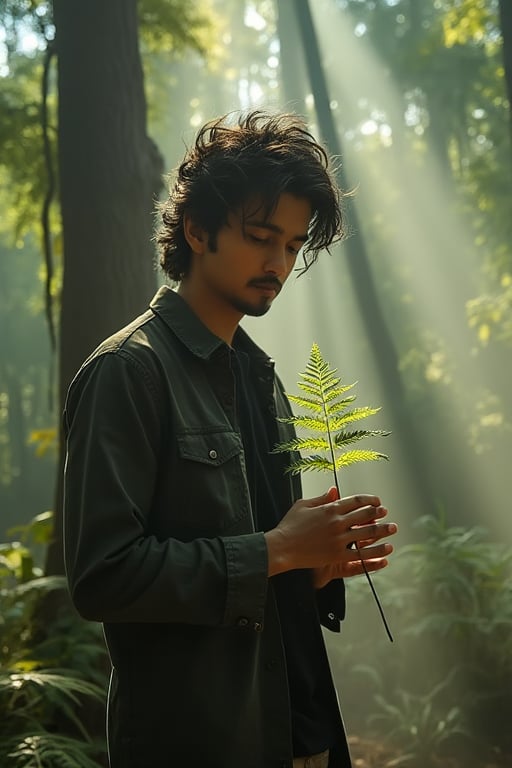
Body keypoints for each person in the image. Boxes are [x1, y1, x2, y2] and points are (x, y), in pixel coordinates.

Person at [63, 110, 397, 768]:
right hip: (202, 743)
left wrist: (314, 566)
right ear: (197, 229)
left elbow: (268, 574)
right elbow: (102, 578)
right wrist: (274, 551)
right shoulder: (128, 371)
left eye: (294, 245)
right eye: (260, 236)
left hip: (301, 734)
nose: (278, 262)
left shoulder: (264, 379)